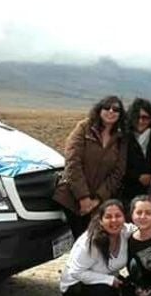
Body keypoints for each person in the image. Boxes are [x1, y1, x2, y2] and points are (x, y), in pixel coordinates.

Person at [59, 200, 140, 296]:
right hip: (75, 285)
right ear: (101, 220)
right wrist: (109, 280)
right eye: (108, 216)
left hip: (108, 279)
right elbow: (76, 273)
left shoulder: (126, 231)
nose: (114, 220)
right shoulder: (89, 242)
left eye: (118, 215)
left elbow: (142, 229)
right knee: (103, 292)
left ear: (124, 217)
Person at [54, 96, 128, 237]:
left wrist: (97, 199)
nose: (111, 111)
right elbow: (72, 161)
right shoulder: (84, 128)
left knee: (97, 241)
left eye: (116, 109)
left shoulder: (121, 138)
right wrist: (83, 197)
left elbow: (118, 172)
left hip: (99, 204)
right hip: (72, 198)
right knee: (78, 243)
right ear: (99, 110)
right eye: (107, 107)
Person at [122, 98, 151, 205]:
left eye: (145, 118)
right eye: (137, 117)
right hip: (127, 190)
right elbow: (117, 164)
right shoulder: (123, 137)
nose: (140, 121)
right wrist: (137, 176)